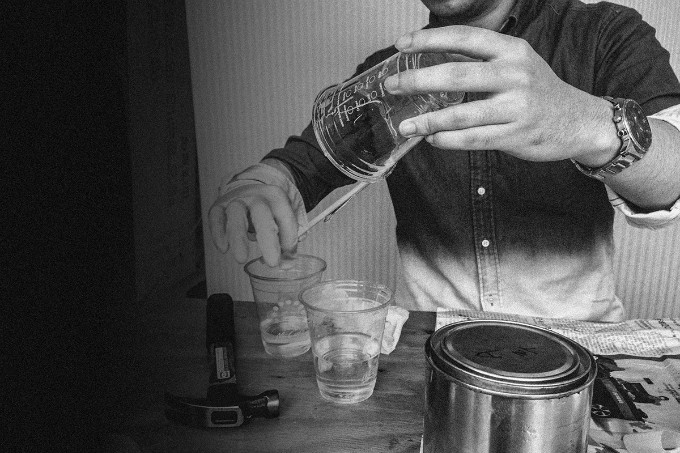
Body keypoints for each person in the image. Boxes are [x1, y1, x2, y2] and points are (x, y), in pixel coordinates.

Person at [209, 0, 680, 322]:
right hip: (432, 344)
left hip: (578, 343)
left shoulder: (603, 33)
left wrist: (582, 123)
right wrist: (264, 180)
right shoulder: (386, 75)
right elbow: (305, 166)